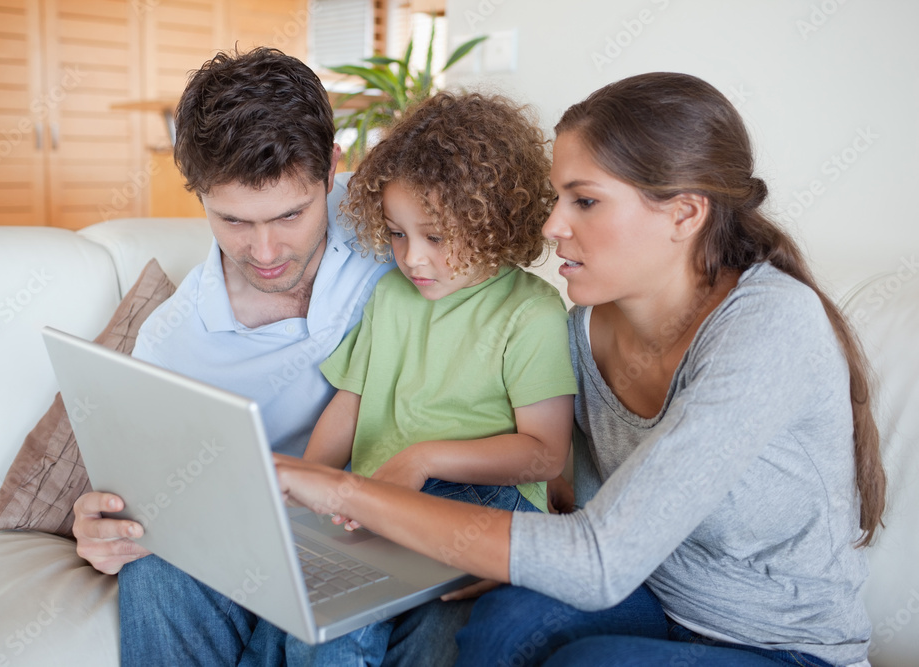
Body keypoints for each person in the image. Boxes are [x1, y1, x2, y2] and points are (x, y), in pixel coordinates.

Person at [274, 72, 886, 666]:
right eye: (558, 197)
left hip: (777, 643)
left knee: (595, 660)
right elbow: (571, 496)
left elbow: (598, 559)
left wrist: (347, 491)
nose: (551, 226)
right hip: (651, 598)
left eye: (585, 201)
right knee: (507, 623)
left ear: (684, 213)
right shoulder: (582, 330)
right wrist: (515, 553)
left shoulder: (771, 324)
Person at [69, 47, 493, 666]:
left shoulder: (399, 223)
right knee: (154, 573)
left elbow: (505, 289)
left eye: (291, 214)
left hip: (398, 515)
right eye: (234, 221)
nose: (266, 252)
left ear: (332, 169)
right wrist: (103, 527)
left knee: (447, 616)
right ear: (198, 194)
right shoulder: (172, 340)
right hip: (260, 539)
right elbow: (147, 492)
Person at [260, 92, 578, 664]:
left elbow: (544, 454)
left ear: (494, 220)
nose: (412, 259)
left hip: (484, 500)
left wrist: (424, 459)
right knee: (306, 618)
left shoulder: (532, 312)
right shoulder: (390, 295)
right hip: (381, 493)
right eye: (397, 234)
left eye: (435, 236)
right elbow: (349, 404)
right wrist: (305, 487)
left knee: (367, 623)